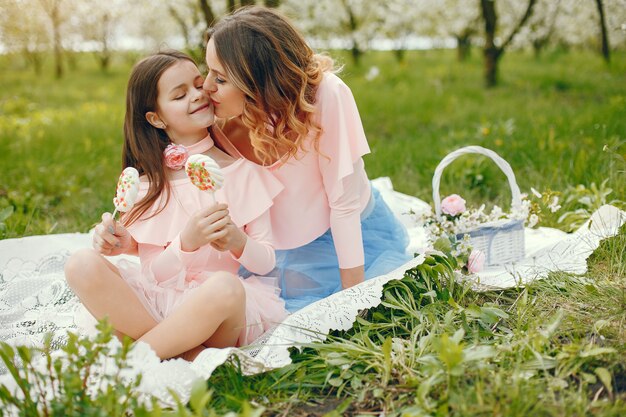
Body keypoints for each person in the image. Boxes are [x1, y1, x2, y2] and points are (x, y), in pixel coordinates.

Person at [64, 50, 288, 360]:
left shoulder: (242, 171)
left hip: (217, 312)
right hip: (158, 304)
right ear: (156, 118)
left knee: (226, 287)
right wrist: (186, 243)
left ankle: (136, 357)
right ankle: (184, 353)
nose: (198, 95)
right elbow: (154, 275)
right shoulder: (147, 184)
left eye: (199, 84)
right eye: (180, 94)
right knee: (81, 263)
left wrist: (238, 241)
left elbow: (265, 263)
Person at [203, 6, 412, 312]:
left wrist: (354, 303)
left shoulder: (326, 95)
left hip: (343, 234)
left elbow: (343, 205)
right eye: (207, 69)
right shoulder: (217, 117)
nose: (206, 86)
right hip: (273, 246)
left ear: (259, 84)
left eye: (220, 79)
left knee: (308, 311)